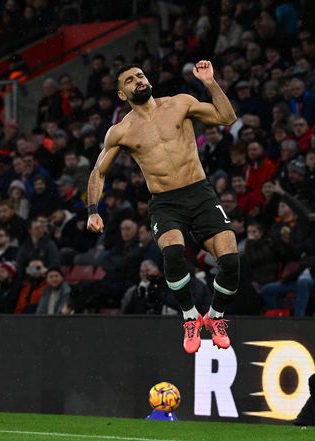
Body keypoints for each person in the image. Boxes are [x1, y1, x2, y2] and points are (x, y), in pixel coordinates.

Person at [87, 61, 238, 353]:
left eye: (140, 75)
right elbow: (98, 172)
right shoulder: (121, 131)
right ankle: (190, 318)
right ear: (122, 94)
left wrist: (209, 82)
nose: (138, 81)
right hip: (166, 202)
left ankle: (215, 316)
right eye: (130, 80)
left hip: (200, 193)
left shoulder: (179, 103)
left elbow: (226, 116)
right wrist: (93, 210)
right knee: (172, 252)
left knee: (231, 260)